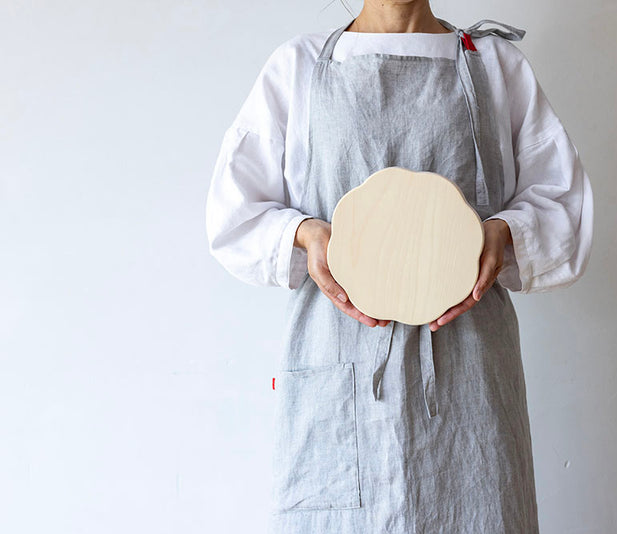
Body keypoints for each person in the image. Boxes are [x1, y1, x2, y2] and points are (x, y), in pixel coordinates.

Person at [205, 1, 593, 532]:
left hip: (469, 377)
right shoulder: (297, 68)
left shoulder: (495, 65)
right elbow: (233, 214)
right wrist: (303, 234)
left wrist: (505, 233)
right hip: (339, 369)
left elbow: (563, 207)